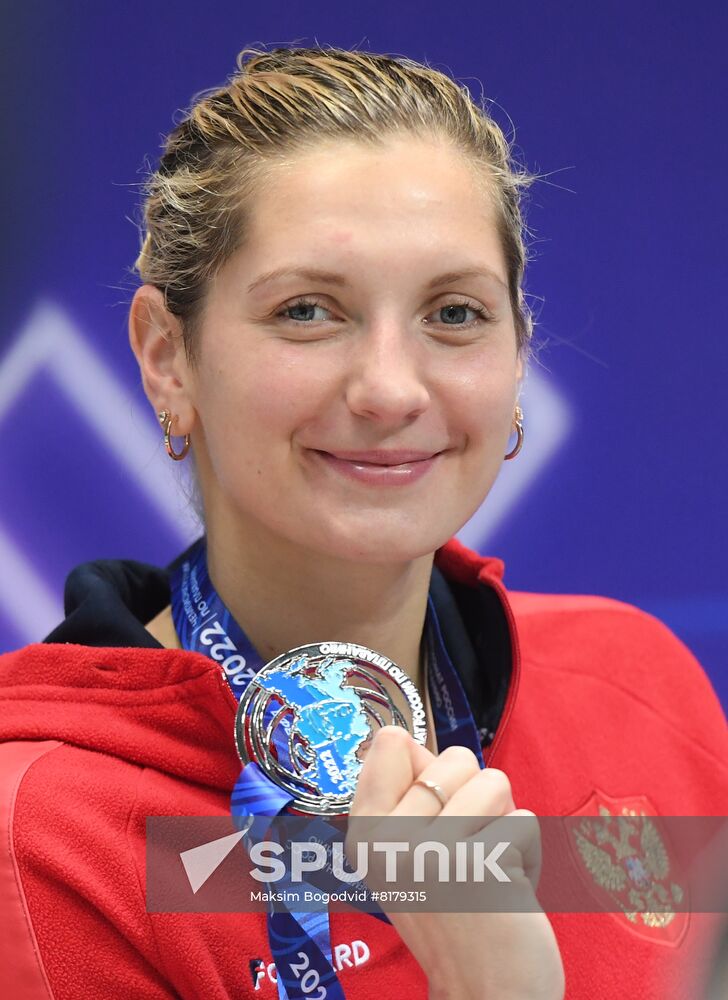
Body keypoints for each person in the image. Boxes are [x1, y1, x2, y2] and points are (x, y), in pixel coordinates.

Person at [0, 45, 726, 1000]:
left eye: (455, 312)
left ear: (518, 356)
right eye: (308, 311)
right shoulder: (55, 833)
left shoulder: (637, 690)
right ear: (167, 356)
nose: (390, 388)